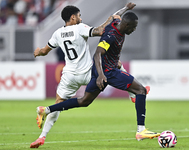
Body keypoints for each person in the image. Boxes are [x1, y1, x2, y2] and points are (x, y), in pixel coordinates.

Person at [36, 11, 160, 142]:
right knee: (141, 90)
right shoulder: (110, 36)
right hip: (107, 72)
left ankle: (46, 110)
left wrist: (123, 10)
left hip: (97, 71)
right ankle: (141, 130)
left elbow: (112, 20)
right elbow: (97, 54)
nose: (134, 30)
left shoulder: (116, 24)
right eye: (133, 27)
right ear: (127, 24)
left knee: (84, 101)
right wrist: (101, 75)